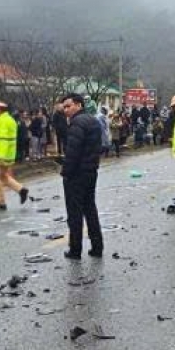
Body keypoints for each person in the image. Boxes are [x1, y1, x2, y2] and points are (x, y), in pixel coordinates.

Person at [58, 93, 104, 260]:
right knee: (90, 209)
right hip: (91, 171)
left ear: (78, 105)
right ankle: (97, 246)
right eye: (64, 107)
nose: (66, 110)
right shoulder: (93, 121)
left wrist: (65, 172)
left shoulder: (77, 123)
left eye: (68, 106)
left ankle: (75, 249)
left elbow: (73, 153)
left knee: (75, 213)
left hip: (77, 175)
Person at [0, 100, 28, 210]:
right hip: (7, 155)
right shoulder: (8, 120)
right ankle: (21, 189)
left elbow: (3, 140)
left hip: (0, 157)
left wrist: (0, 157)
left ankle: (1, 203)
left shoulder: (2, 121)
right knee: (3, 177)